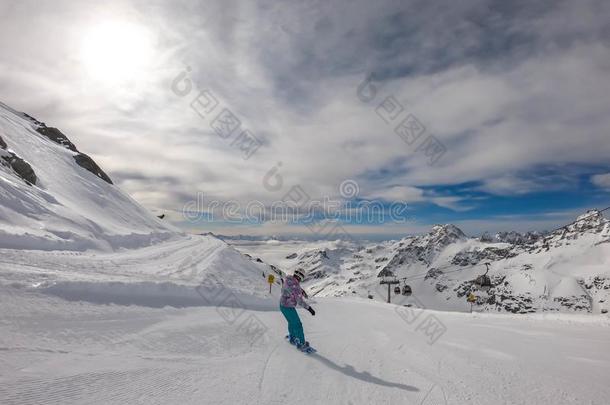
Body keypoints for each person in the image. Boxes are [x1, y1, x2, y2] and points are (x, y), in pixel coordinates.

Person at [280, 269, 315, 350]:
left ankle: (292, 337)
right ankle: (302, 343)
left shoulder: (288, 280)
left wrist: (300, 290)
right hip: (288, 307)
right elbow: (300, 301)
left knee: (291, 322)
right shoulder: (296, 287)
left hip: (282, 305)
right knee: (298, 324)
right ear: (300, 277)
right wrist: (309, 308)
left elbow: (291, 288)